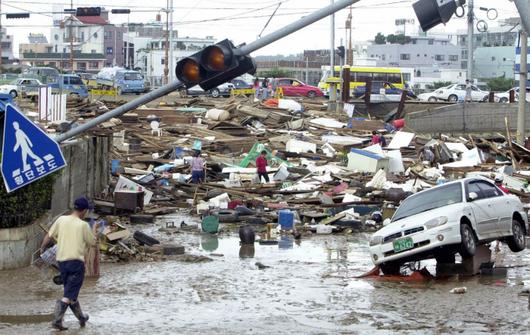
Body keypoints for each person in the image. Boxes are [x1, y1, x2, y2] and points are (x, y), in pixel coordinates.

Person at [40, 197, 98, 331]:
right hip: (76, 263)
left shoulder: (61, 219)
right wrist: (94, 229)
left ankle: (81, 318)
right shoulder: (83, 225)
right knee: (68, 295)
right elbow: (92, 243)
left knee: (71, 292)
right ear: (84, 211)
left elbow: (48, 236)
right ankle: (57, 321)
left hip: (61, 262)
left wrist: (42, 250)